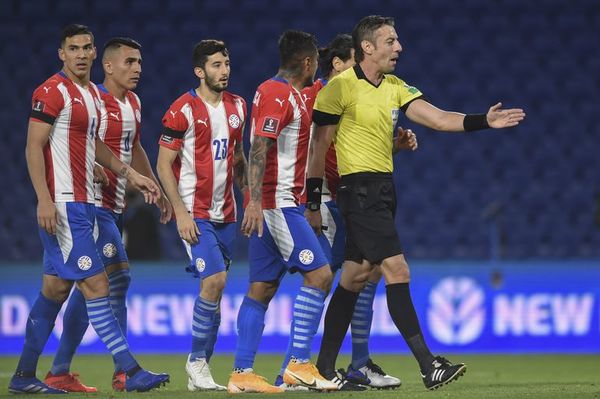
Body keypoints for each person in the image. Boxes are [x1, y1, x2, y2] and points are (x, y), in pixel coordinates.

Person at [307, 15, 525, 391]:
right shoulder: (338, 89)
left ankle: (324, 368)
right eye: (391, 41)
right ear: (368, 48)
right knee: (397, 270)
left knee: (354, 277)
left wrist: (483, 121)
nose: (399, 47)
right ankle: (429, 365)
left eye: (398, 40)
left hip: (384, 190)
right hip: (357, 192)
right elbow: (318, 146)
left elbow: (439, 119)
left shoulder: (395, 87)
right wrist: (312, 202)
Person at [8, 24, 170, 394]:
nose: (80, 54)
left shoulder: (92, 98)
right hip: (65, 204)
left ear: (94, 53)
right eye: (73, 48)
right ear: (61, 53)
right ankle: (129, 369)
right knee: (98, 284)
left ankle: (24, 376)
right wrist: (44, 198)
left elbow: (93, 144)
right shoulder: (51, 91)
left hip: (83, 201)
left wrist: (131, 174)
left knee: (54, 290)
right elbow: (34, 146)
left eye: (86, 47)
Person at [275, 33, 415, 391]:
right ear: (338, 64)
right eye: (355, 63)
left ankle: (357, 363)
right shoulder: (317, 98)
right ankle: (298, 366)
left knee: (364, 274)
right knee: (322, 278)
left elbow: (356, 155)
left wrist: (392, 148)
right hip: (322, 200)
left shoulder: (356, 97)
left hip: (348, 198)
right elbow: (311, 152)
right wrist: (311, 202)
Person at [226, 30, 338, 394]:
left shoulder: (283, 91)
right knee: (320, 275)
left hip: (275, 202)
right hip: (278, 203)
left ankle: (242, 372)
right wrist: (255, 201)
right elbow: (260, 144)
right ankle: (299, 364)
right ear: (306, 62)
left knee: (262, 287)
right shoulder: (278, 93)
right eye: (315, 61)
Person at [156, 39, 247, 392]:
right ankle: (195, 361)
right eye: (216, 65)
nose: (224, 70)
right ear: (200, 71)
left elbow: (237, 157)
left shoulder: (238, 106)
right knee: (215, 282)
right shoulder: (182, 109)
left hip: (227, 215)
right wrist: (181, 212)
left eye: (226, 63)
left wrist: (250, 198)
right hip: (195, 214)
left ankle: (201, 370)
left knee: (217, 292)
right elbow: (164, 165)